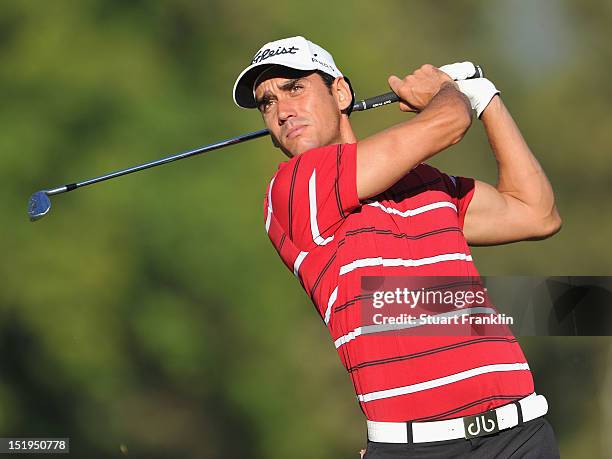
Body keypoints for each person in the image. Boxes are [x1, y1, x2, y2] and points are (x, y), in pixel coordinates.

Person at [233, 36, 562, 458]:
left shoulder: (421, 182)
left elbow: (536, 212)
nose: (281, 111)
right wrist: (446, 92)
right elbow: (446, 124)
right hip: (418, 449)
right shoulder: (295, 188)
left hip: (521, 436)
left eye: (294, 88)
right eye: (267, 102)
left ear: (340, 92)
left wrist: (486, 98)